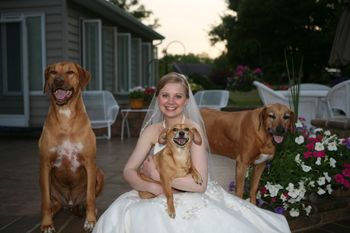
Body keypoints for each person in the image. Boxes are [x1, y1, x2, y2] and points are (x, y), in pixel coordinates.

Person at [92, 72, 291, 233]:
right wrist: (153, 188)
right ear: (158, 98)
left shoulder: (193, 129)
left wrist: (159, 175)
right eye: (165, 95)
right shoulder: (152, 131)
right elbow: (128, 170)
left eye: (178, 96)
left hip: (189, 195)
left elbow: (200, 185)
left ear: (186, 100)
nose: (171, 101)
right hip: (155, 192)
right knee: (124, 218)